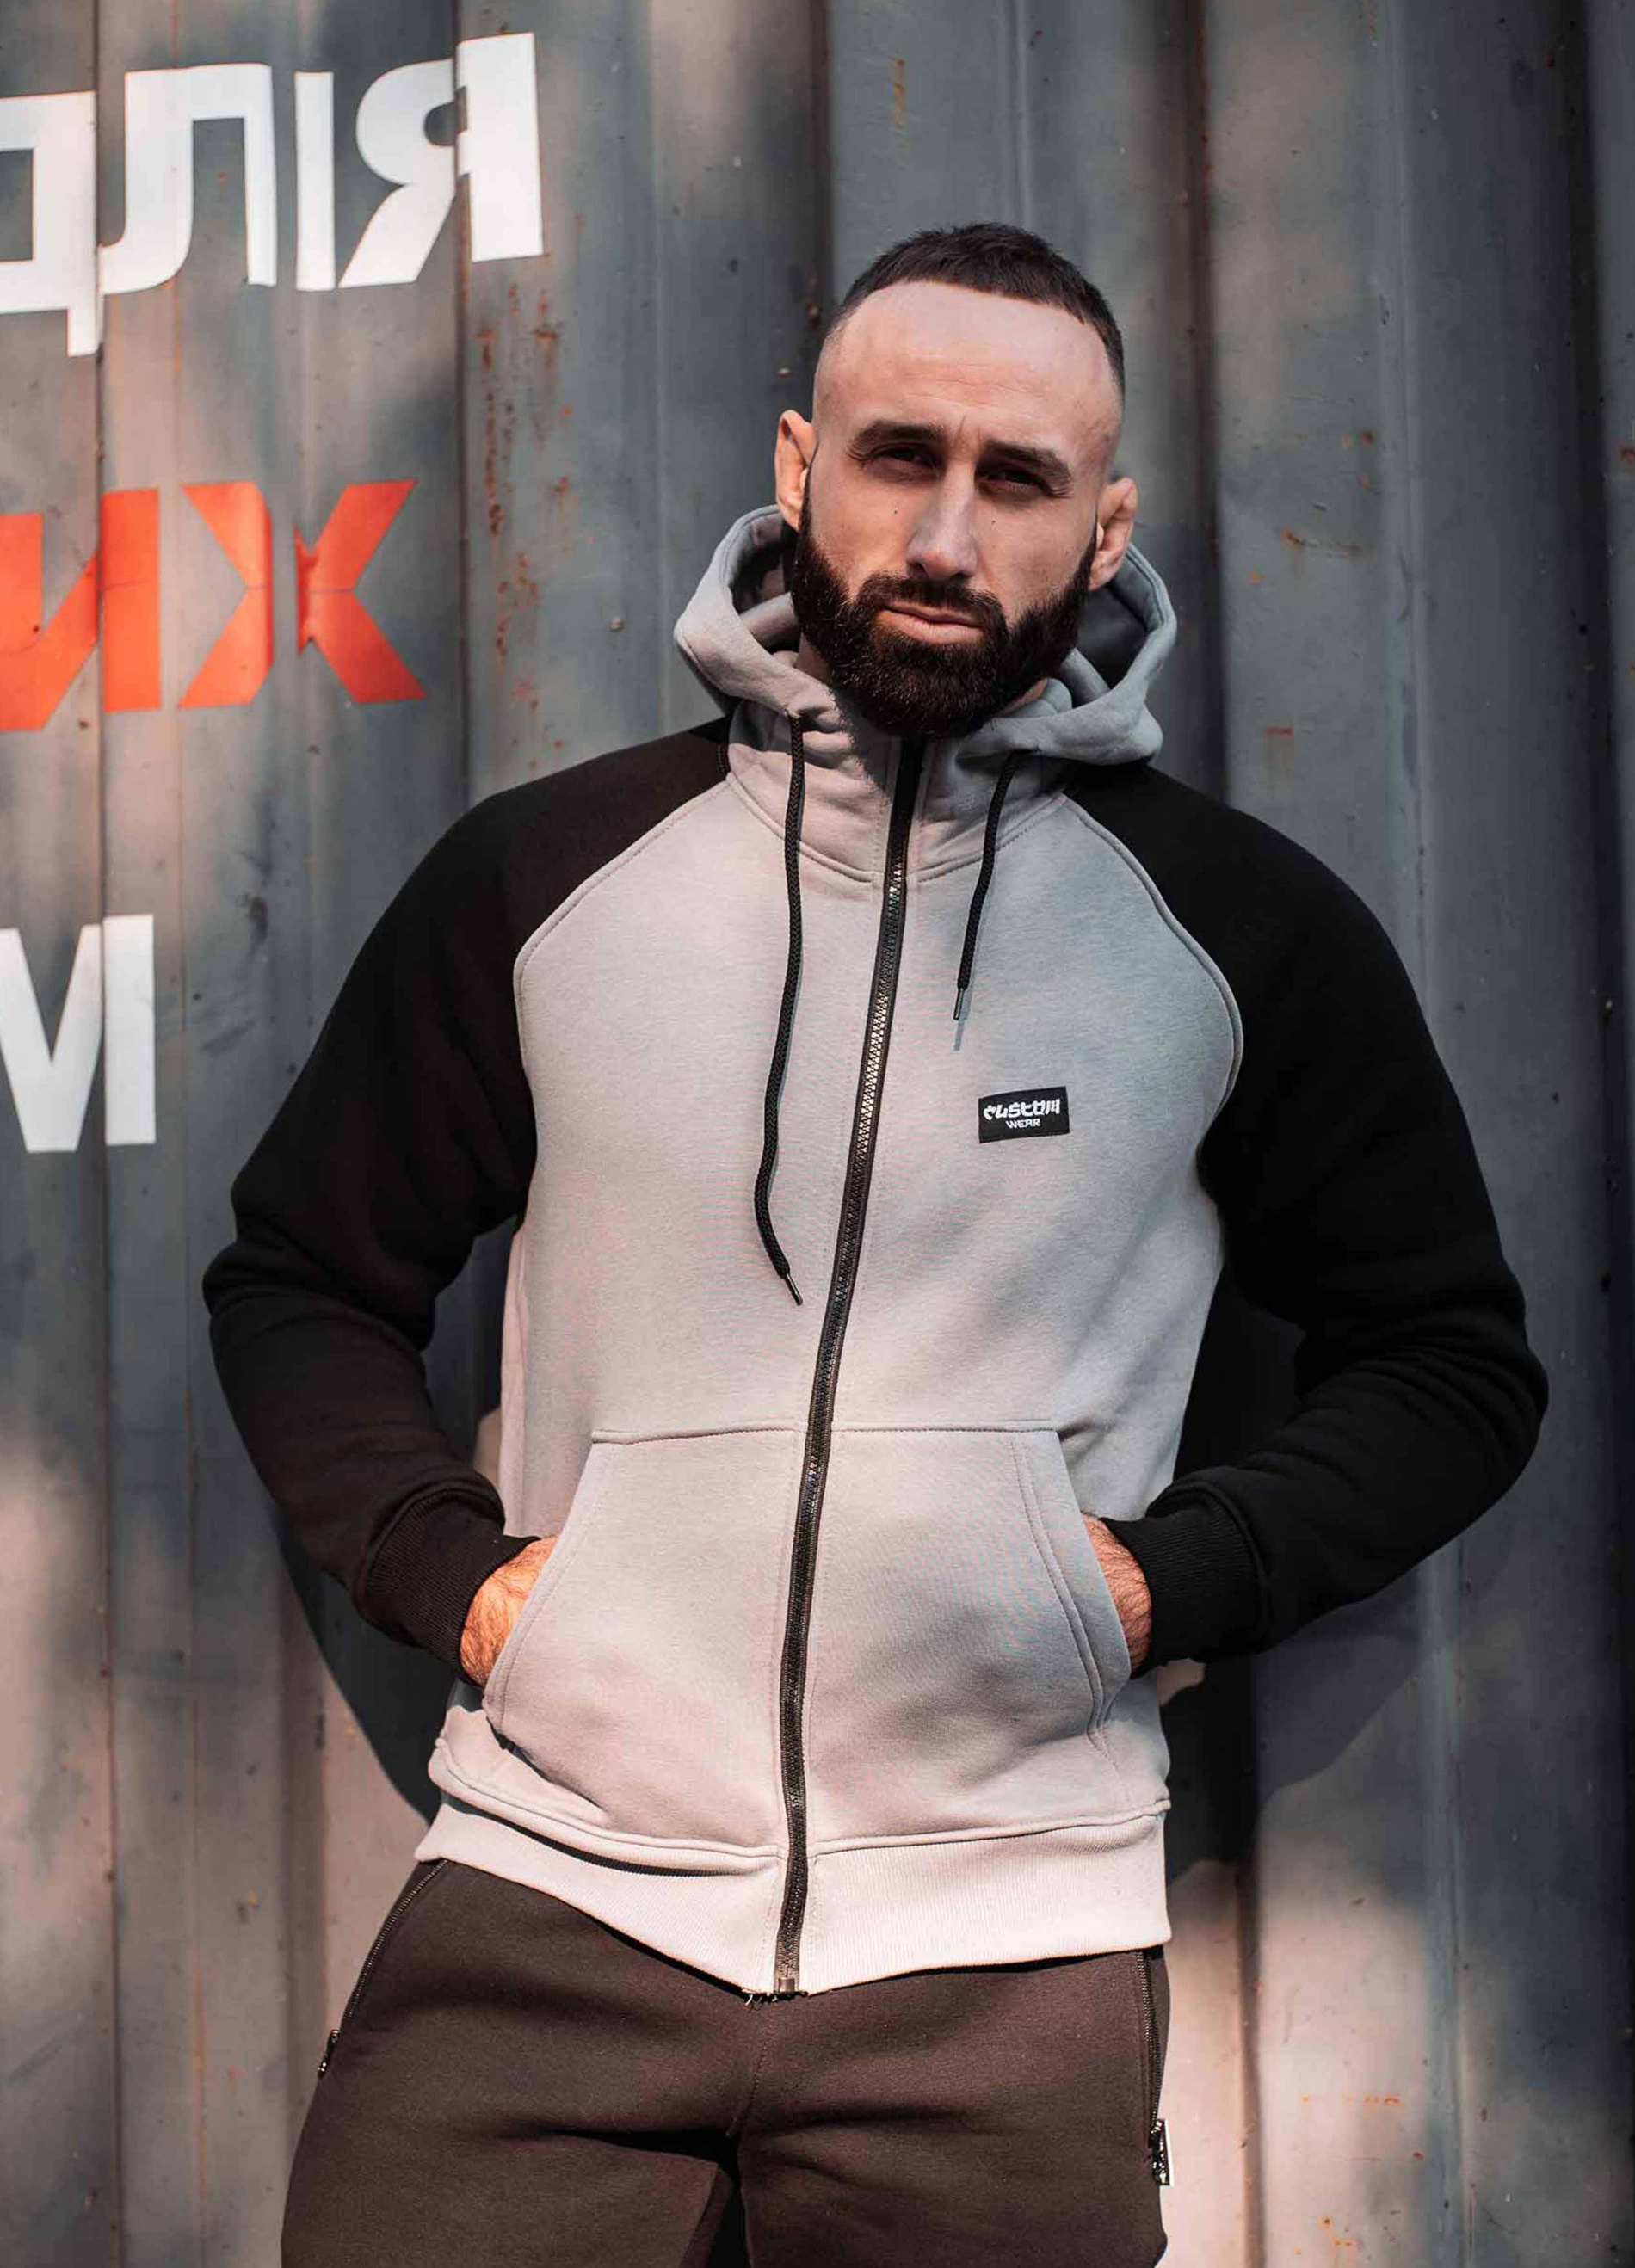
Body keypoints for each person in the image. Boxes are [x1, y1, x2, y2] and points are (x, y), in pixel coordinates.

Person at [205, 222, 1547, 2267]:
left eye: (1015, 480)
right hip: (549, 1901)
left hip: (1003, 1953)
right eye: (896, 455)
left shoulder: (1233, 932)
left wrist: (1140, 1585)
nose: (942, 532)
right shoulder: (546, 878)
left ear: (1101, 533)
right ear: (796, 467)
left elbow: (1446, 1364)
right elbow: (303, 1277)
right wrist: (459, 1583)